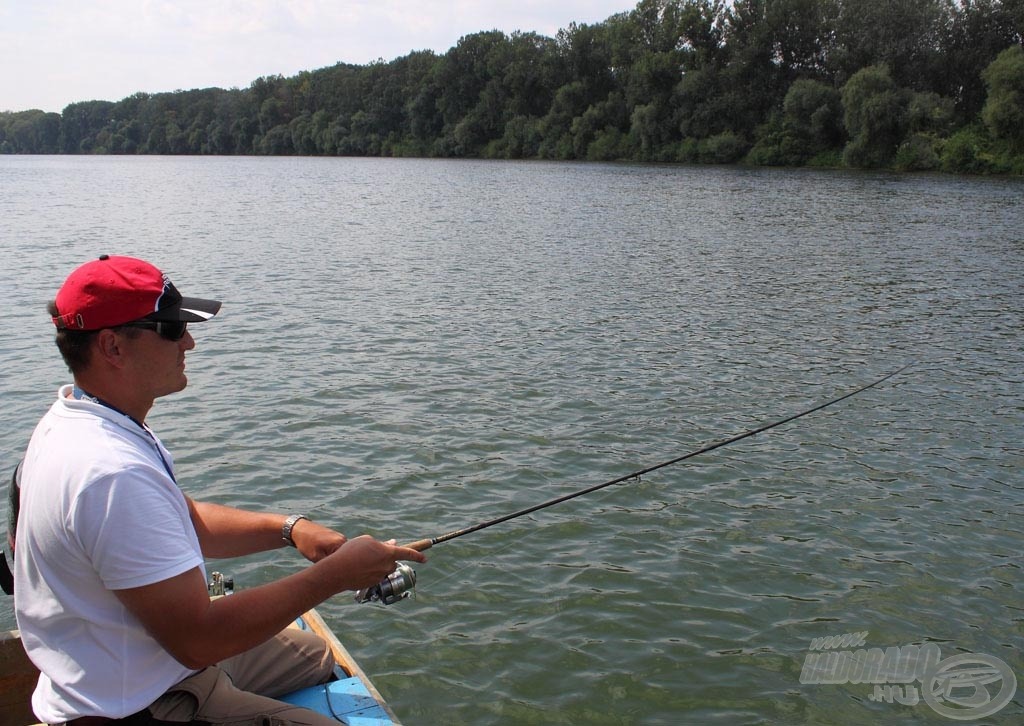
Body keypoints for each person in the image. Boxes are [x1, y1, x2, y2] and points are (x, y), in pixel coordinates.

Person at [13, 255, 427, 726]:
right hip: (135, 704)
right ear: (112, 346)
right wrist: (335, 575)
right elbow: (199, 641)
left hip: (138, 659)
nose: (188, 341)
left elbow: (182, 518)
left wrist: (291, 529)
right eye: (171, 330)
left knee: (312, 654)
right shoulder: (111, 473)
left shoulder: (81, 416)